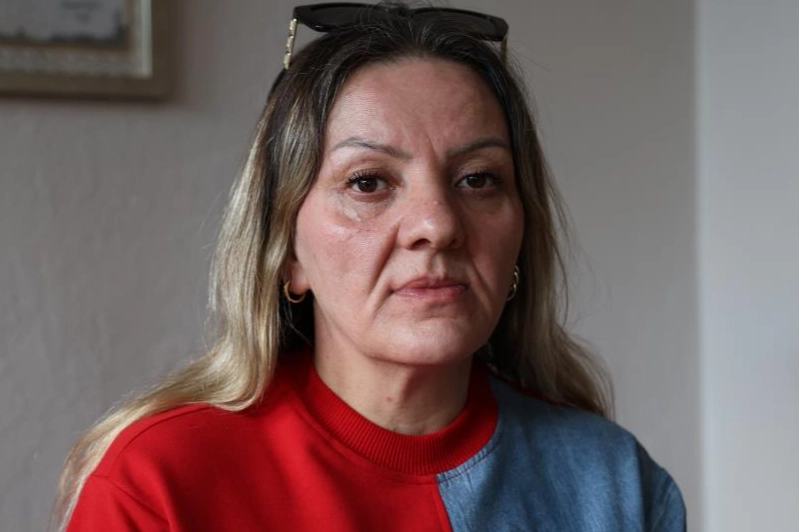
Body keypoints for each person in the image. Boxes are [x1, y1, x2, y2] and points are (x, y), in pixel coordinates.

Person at [56, 3, 686, 531]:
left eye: (478, 178)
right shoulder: (159, 483)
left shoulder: (613, 484)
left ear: (521, 236)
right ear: (287, 251)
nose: (437, 224)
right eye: (368, 182)